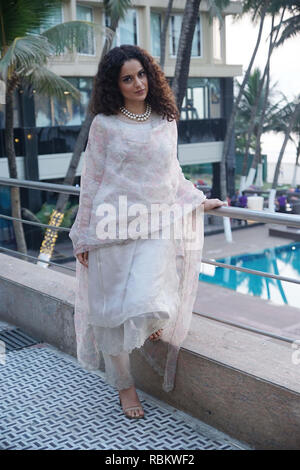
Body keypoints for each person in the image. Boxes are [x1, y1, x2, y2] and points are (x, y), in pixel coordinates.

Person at [69, 45, 224, 420]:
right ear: (115, 85)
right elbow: (92, 180)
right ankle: (125, 387)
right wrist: (84, 233)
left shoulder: (165, 119)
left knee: (154, 301)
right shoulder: (104, 125)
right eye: (127, 78)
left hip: (155, 223)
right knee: (110, 314)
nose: (137, 83)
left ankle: (152, 326)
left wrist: (196, 199)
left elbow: (171, 171)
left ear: (150, 76)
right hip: (110, 225)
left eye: (141, 74)